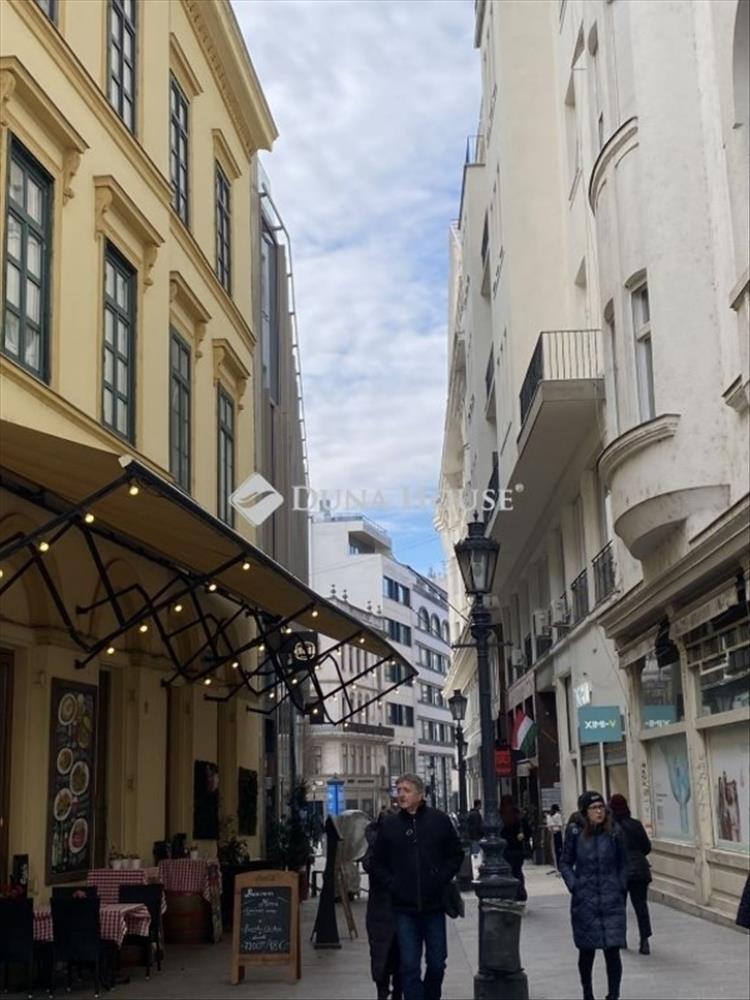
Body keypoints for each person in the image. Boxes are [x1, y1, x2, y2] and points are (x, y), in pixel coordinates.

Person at [368, 773, 464, 1000]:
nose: (401, 794)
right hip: (404, 908)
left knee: (437, 962)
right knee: (409, 965)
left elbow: (455, 854)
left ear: (420, 795)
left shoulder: (439, 820)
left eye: (407, 790)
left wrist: (440, 878)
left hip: (433, 905)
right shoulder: (390, 825)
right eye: (399, 790)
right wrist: (393, 883)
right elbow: (376, 862)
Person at [560, 791, 627, 1000]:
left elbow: (624, 863)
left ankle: (613, 995)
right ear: (585, 812)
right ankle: (587, 993)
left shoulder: (614, 832)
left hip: (611, 900)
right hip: (585, 901)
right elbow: (565, 862)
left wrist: (620, 886)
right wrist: (574, 885)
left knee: (613, 951)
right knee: (586, 951)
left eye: (601, 807)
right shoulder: (575, 833)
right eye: (594, 808)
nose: (599, 812)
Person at [363, 807, 402, 1000]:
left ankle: (392, 990)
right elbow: (370, 865)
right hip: (382, 910)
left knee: (397, 953)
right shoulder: (375, 848)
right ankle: (384, 989)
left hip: (394, 909)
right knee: (384, 953)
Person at [609, 793, 653, 955]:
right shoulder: (636, 824)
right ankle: (644, 940)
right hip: (640, 869)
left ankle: (621, 938)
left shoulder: (610, 828)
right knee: (641, 905)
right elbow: (647, 847)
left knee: (619, 906)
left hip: (620, 871)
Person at [499, 795, 531, 902]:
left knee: (507, 872)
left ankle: (510, 894)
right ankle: (519, 892)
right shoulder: (519, 816)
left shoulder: (500, 816)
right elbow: (528, 831)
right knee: (517, 871)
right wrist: (523, 836)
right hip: (517, 848)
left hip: (505, 849)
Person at [546, 804, 564, 870]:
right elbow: (560, 825)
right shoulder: (556, 815)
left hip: (554, 833)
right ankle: (558, 865)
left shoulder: (552, 816)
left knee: (556, 849)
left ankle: (557, 865)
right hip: (556, 833)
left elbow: (550, 825)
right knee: (557, 849)